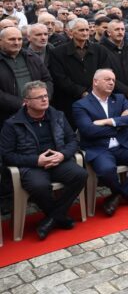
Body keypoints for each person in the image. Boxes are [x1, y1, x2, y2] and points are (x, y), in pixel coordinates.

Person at [0, 81, 88, 240]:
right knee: (39, 186)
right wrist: (36, 161)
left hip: (58, 160)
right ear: (27, 101)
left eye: (46, 96)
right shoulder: (12, 124)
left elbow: (73, 141)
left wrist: (62, 155)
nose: (44, 99)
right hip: (32, 166)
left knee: (80, 175)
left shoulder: (58, 116)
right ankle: (59, 217)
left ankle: (53, 218)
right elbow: (7, 155)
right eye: (39, 97)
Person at [72, 69, 128, 216]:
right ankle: (127, 194)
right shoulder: (81, 105)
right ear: (95, 82)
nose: (111, 83)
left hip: (124, 144)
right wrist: (120, 124)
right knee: (106, 170)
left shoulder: (120, 99)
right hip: (99, 149)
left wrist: (107, 121)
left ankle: (117, 196)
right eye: (107, 79)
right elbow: (88, 131)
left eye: (113, 80)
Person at [49, 18, 113, 121]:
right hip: (69, 101)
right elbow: (60, 77)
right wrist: (81, 92)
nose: (85, 33)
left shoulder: (100, 50)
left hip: (96, 98)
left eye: (87, 30)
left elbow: (105, 72)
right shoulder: (58, 52)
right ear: (71, 32)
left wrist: (93, 92)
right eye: (81, 30)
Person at [0, 26, 53, 125]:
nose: (16, 42)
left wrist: (44, 97)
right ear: (0, 41)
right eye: (11, 39)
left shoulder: (32, 57)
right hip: (7, 116)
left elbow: (47, 80)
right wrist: (21, 103)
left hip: (38, 113)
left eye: (19, 39)